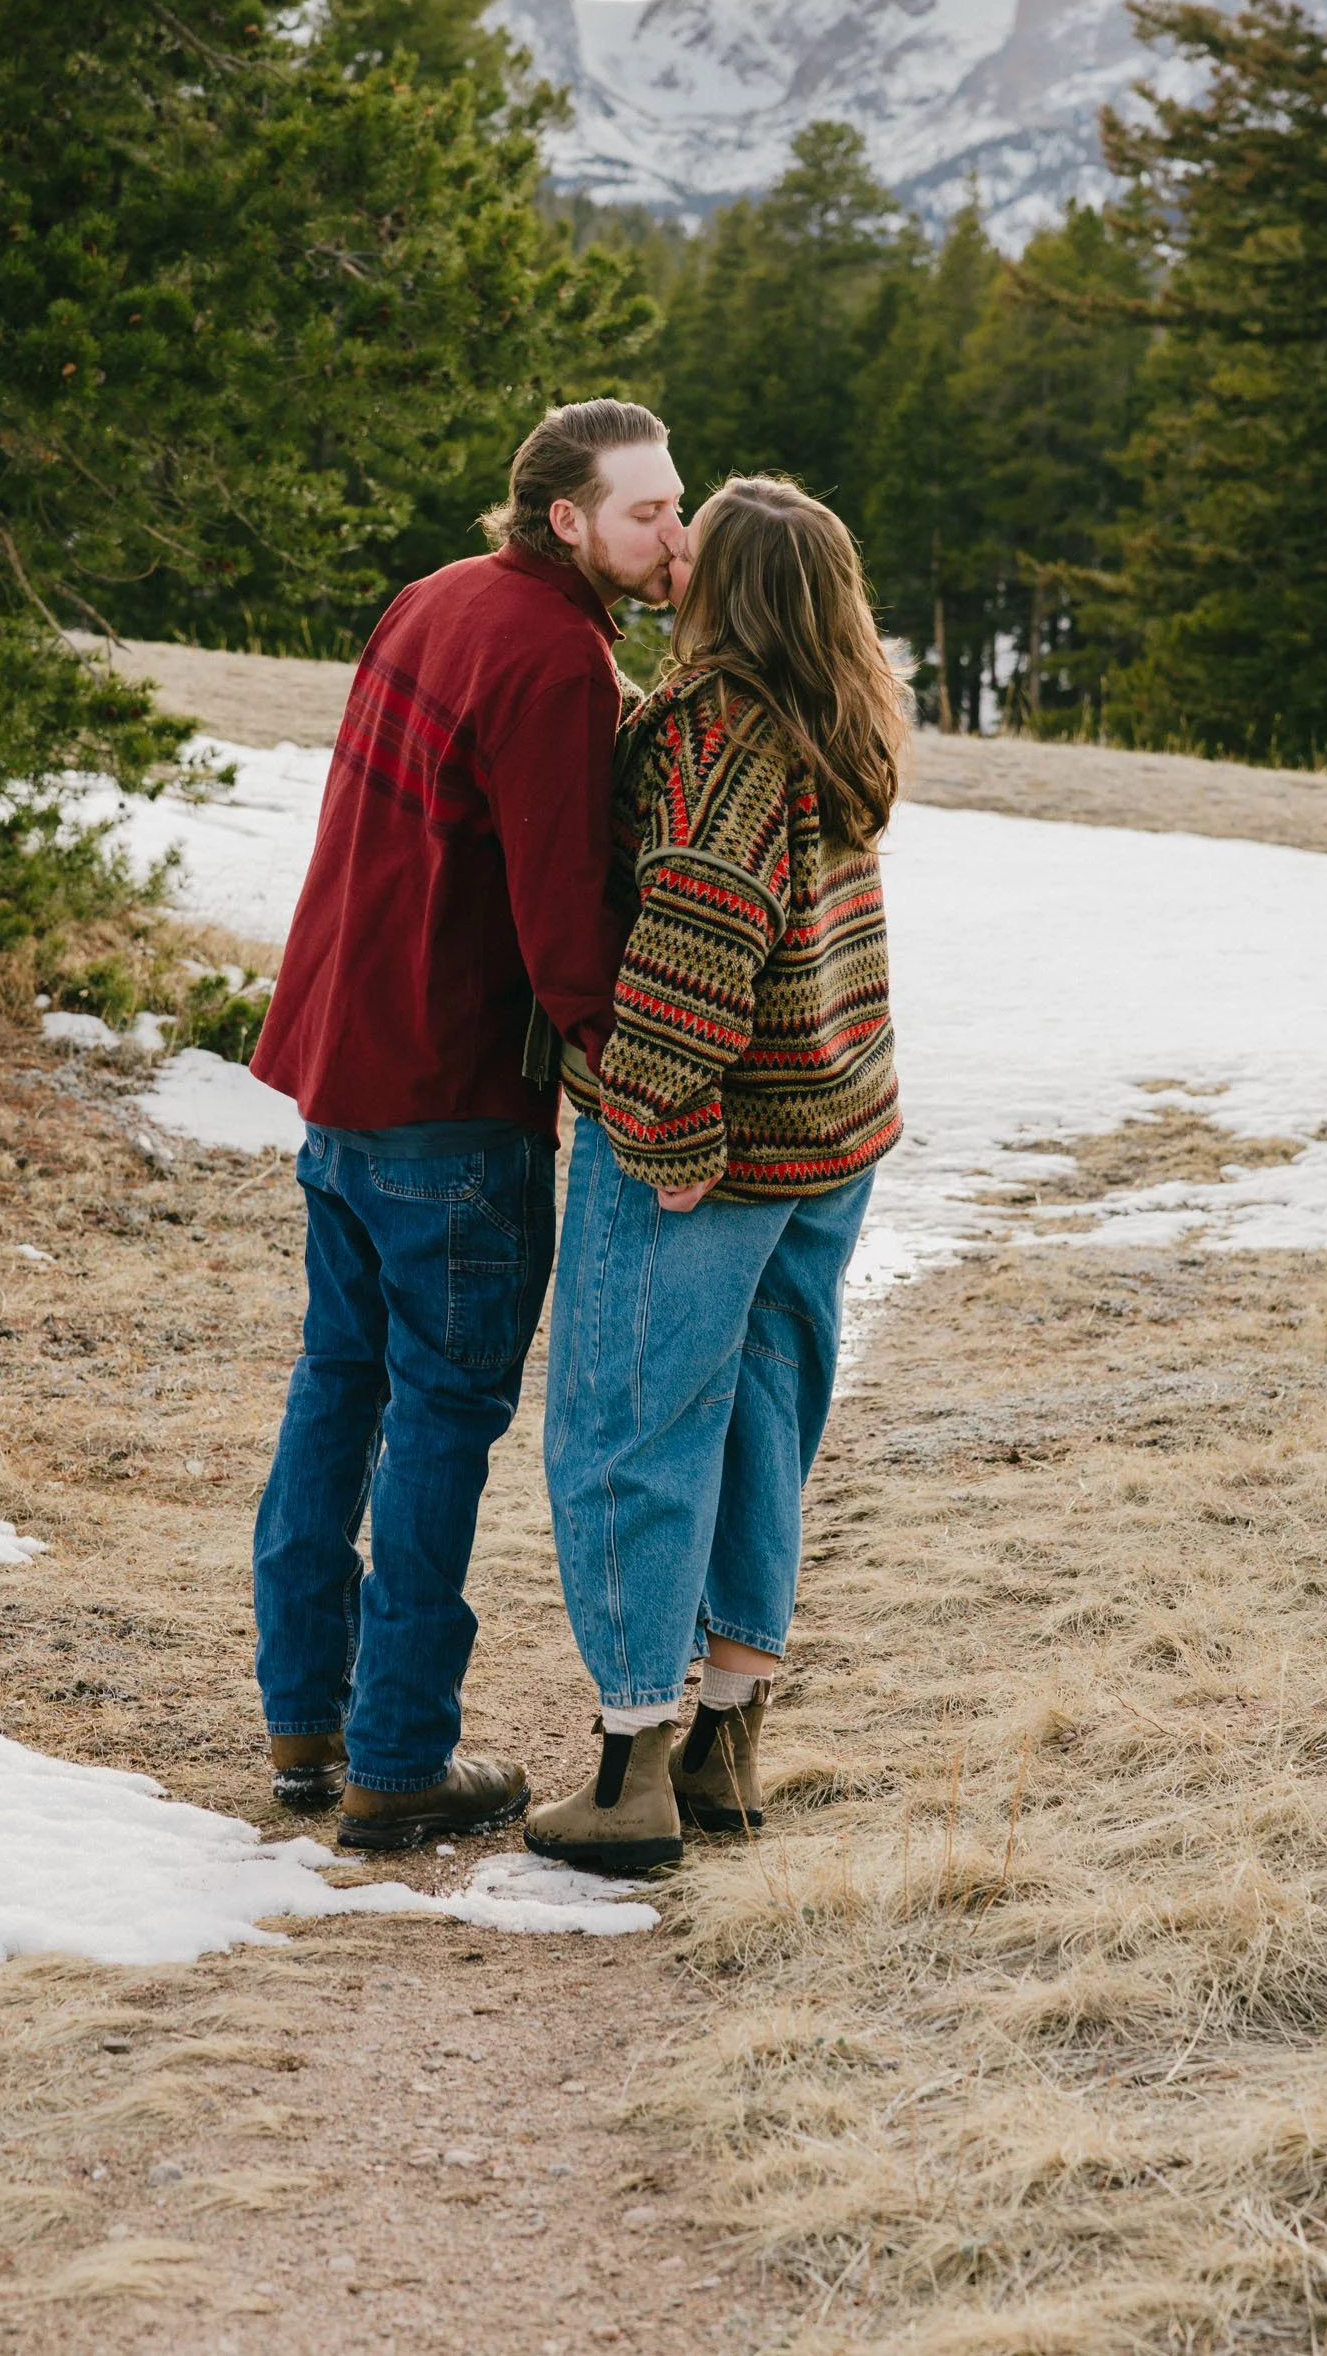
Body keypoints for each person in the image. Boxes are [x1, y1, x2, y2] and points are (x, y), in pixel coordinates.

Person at [248, 398, 685, 1850]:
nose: (673, 535)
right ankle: (399, 1763)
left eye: (678, 508)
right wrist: (637, 1081)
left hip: (344, 1069)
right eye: (646, 514)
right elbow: (565, 927)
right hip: (449, 1100)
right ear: (567, 517)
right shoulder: (559, 658)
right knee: (439, 1419)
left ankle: (305, 1725)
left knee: (338, 1384)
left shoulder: (434, 598)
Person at [525, 475, 905, 1873]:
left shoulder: (723, 738)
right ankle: (729, 1744)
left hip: (721, 1149)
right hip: (833, 1137)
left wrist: (663, 1137)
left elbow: (696, 956)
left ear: (733, 589)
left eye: (700, 542)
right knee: (762, 1427)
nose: (673, 551)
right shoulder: (841, 714)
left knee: (629, 1427)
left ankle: (630, 1772)